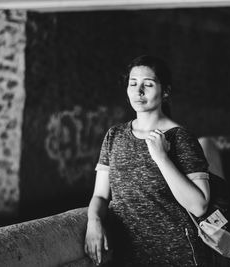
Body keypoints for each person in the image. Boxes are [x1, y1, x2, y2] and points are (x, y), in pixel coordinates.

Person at [84, 55, 211, 266]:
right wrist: (94, 220)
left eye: (148, 84)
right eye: (133, 84)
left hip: (176, 256)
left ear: (166, 91)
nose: (138, 91)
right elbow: (100, 195)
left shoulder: (180, 138)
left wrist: (162, 158)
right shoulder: (114, 135)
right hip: (127, 256)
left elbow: (199, 206)